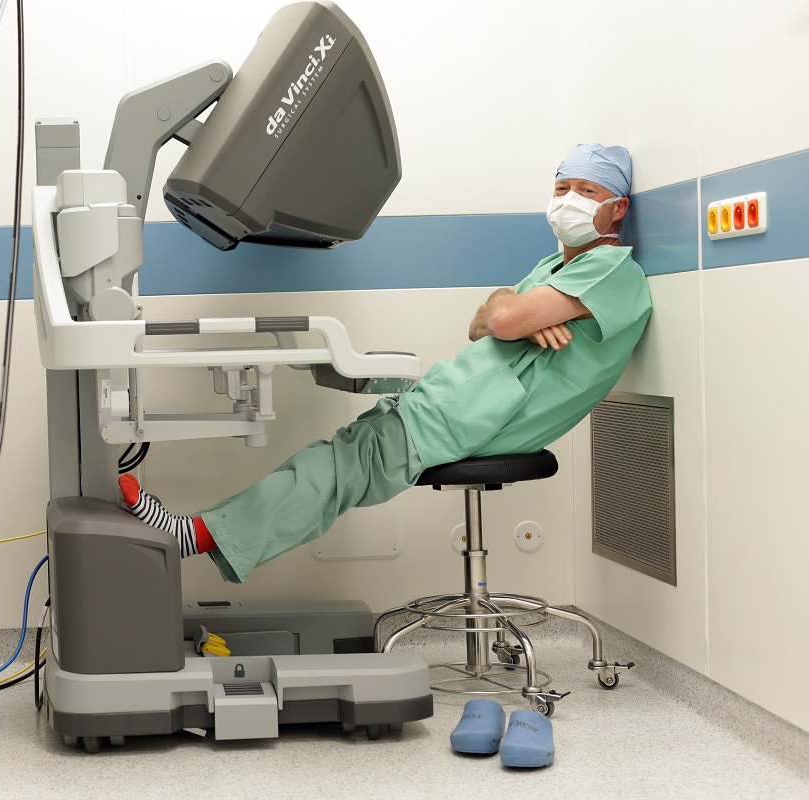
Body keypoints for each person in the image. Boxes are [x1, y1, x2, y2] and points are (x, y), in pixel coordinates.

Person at [119, 143, 652, 584]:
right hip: (455, 404)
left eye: (587, 192)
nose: (569, 201)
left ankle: (196, 534)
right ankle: (208, 530)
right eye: (562, 188)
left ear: (618, 208)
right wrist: (507, 309)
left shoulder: (612, 270)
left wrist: (509, 312)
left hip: (477, 417)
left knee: (339, 469)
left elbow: (502, 320)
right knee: (335, 457)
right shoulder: (555, 266)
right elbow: (480, 324)